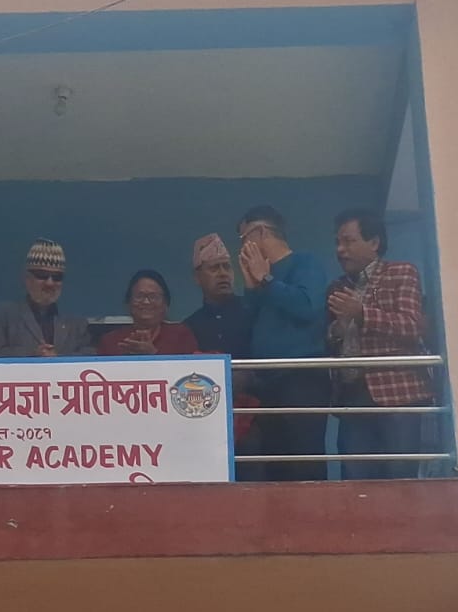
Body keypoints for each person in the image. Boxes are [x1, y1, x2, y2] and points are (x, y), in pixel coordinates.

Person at [326, 208, 434, 480]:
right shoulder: (338, 286)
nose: (340, 250)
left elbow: (412, 326)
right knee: (354, 477)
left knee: (400, 476)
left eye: (348, 241)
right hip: (352, 395)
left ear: (374, 242)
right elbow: (332, 339)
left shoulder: (401, 273)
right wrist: (337, 330)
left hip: (397, 395)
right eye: (337, 242)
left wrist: (362, 313)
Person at [236, 205, 330, 481]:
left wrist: (266, 280)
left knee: (304, 462)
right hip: (267, 381)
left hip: (301, 377)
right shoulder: (263, 279)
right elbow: (249, 327)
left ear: (261, 232)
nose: (242, 247)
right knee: (274, 465)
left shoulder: (305, 263)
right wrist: (252, 288)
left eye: (244, 238)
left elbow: (307, 306)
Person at [182, 233, 263, 478]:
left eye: (227, 267)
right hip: (205, 419)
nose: (223, 274)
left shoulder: (253, 311)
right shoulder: (190, 326)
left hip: (254, 414)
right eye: (214, 268)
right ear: (197, 278)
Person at [0, 238, 94, 357]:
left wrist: (58, 358)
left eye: (57, 277)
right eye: (42, 275)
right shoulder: (2, 315)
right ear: (27, 278)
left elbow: (90, 355)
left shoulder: (76, 321)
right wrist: (33, 355)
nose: (50, 283)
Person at [98, 269, 199, 356]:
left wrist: (152, 355)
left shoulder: (181, 336)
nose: (146, 302)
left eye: (153, 297)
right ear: (128, 303)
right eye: (139, 296)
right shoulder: (110, 341)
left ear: (166, 305)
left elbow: (189, 370)